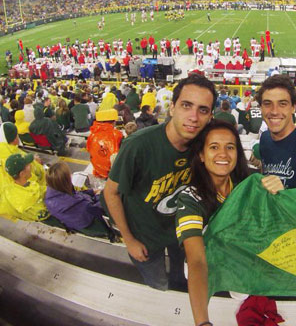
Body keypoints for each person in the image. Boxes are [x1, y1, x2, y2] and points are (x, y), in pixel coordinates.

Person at [102, 74, 216, 291]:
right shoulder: (138, 145)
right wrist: (129, 239)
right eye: (186, 105)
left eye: (202, 110)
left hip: (179, 228)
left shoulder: (203, 144)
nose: (193, 116)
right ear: (172, 108)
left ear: (210, 116)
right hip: (144, 235)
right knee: (158, 283)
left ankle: (177, 285)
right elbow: (111, 193)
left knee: (180, 274)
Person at [175, 120, 250, 326]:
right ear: (201, 154)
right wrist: (202, 322)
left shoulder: (248, 183)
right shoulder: (190, 199)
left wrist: (273, 187)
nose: (223, 154)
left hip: (238, 261)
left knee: (240, 294)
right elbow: (197, 260)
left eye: (230, 147)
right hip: (207, 262)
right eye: (214, 147)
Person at [0, 122, 46, 202]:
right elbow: (33, 177)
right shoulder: (17, 156)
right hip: (12, 198)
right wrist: (37, 164)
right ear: (15, 139)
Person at [45, 162, 107, 233]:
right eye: (69, 175)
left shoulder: (52, 195)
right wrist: (100, 195)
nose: (71, 175)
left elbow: (77, 194)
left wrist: (92, 192)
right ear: (66, 181)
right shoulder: (75, 203)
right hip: (90, 224)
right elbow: (95, 209)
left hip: (76, 224)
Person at [0, 153, 49, 221]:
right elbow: (44, 215)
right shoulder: (30, 201)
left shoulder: (7, 189)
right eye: (28, 165)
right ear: (22, 174)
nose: (31, 165)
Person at [86, 109, 123, 179]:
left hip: (97, 170)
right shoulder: (117, 134)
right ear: (113, 122)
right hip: (111, 173)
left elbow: (88, 149)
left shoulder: (92, 134)